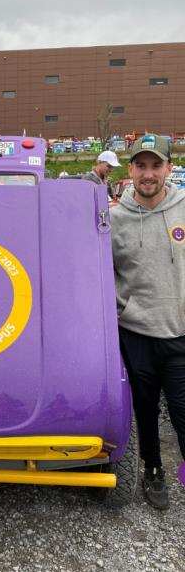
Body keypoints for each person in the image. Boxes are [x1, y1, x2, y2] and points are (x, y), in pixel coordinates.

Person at [110, 133, 185, 510]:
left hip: (179, 334)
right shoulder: (114, 219)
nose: (149, 173)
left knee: (182, 411)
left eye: (157, 165)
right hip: (135, 334)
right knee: (145, 411)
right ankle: (153, 470)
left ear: (169, 169)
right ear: (131, 170)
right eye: (142, 165)